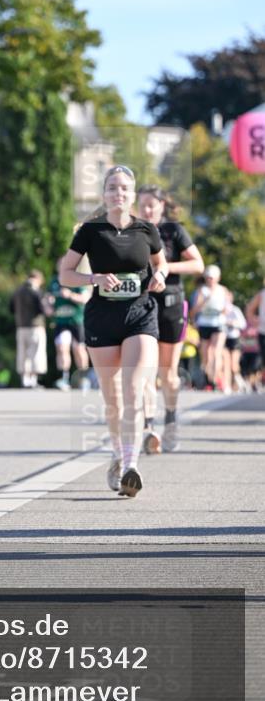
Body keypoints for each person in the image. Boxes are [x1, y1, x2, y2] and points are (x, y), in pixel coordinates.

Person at [59, 165, 168, 497]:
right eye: (112, 188)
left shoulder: (147, 229)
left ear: (132, 195)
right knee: (113, 398)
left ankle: (131, 466)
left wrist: (160, 276)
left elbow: (160, 262)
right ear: (103, 194)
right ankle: (118, 457)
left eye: (124, 188)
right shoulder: (91, 231)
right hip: (102, 318)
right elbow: (65, 274)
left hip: (140, 315)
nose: (118, 193)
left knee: (134, 388)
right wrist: (93, 278)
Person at [136, 186, 204, 453]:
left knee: (168, 373)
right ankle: (148, 429)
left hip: (172, 306)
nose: (147, 210)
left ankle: (172, 419)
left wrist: (163, 269)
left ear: (162, 205)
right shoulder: (133, 231)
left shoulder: (173, 230)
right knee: (145, 372)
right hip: (143, 306)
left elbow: (197, 264)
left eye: (152, 205)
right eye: (142, 205)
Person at [46, 258, 91, 391]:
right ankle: (64, 378)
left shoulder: (77, 280)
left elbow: (85, 298)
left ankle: (83, 379)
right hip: (61, 322)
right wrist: (48, 304)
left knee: (78, 350)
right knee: (62, 348)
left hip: (76, 321)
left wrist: (70, 295)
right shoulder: (54, 282)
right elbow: (46, 301)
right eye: (60, 265)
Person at [190, 265, 229, 390]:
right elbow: (194, 310)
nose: (210, 280)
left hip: (218, 323)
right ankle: (208, 376)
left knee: (217, 351)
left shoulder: (223, 290)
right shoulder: (202, 291)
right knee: (206, 354)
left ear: (218, 278)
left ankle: (215, 379)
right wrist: (205, 301)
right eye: (208, 278)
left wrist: (224, 310)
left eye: (212, 278)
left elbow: (227, 309)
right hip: (205, 323)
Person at [10, 270, 48, 388]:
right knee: (35, 352)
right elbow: (42, 308)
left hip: (21, 326)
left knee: (22, 353)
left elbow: (11, 308)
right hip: (35, 326)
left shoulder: (17, 291)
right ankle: (33, 379)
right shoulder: (36, 291)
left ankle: (24, 379)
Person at [223, 291, 248, 393]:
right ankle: (227, 385)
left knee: (233, 365)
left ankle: (238, 381)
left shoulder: (235, 310)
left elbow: (243, 324)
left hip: (234, 339)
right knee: (225, 363)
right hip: (223, 338)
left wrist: (232, 323)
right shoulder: (219, 310)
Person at [245, 282, 265, 389]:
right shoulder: (262, 294)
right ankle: (259, 381)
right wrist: (253, 321)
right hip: (263, 331)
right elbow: (249, 309)